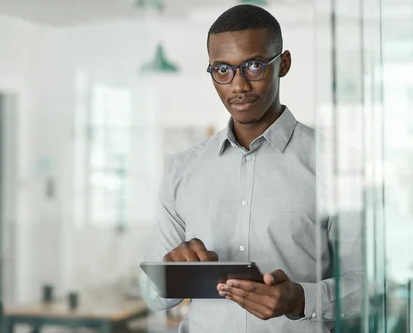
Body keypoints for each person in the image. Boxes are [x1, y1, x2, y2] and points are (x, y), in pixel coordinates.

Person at [141, 4, 363, 333]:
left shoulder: (336, 163)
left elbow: (371, 287)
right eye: (222, 70)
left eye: (254, 66)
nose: (238, 85)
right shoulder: (182, 170)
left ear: (283, 64)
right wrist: (171, 270)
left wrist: (301, 299)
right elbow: (152, 295)